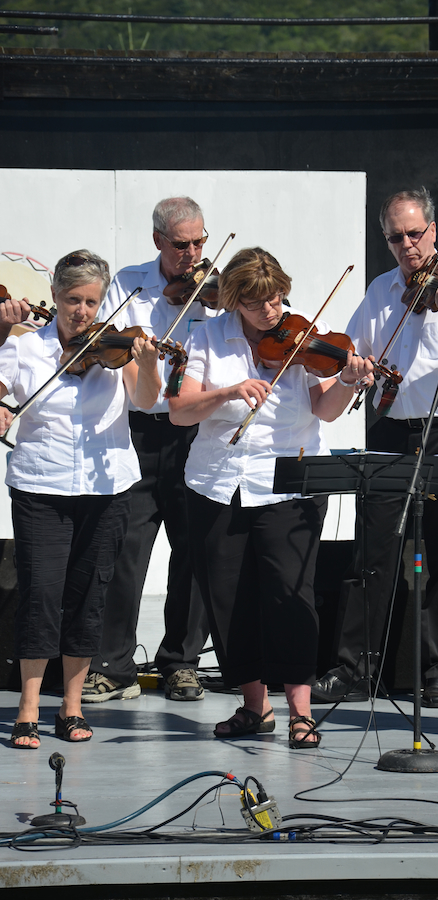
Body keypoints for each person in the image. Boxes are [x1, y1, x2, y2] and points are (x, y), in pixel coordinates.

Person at [169, 247, 374, 746]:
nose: (272, 311)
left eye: (277, 298)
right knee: (228, 597)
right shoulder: (207, 337)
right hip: (217, 483)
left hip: (289, 482)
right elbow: (179, 411)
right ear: (235, 300)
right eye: (258, 302)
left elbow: (325, 410)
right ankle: (254, 708)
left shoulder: (303, 338)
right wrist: (228, 392)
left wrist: (347, 380)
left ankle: (300, 712)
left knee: (290, 595)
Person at [311, 187, 438, 708]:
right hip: (393, 429)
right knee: (374, 549)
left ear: (434, 231)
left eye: (416, 234)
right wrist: (353, 368)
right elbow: (352, 350)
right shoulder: (381, 289)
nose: (408, 245)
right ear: (386, 240)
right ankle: (354, 666)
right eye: (397, 237)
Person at [0, 250, 160, 748]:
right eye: (73, 300)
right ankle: (29, 706)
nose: (82, 312)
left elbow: (149, 401)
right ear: (55, 296)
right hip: (41, 485)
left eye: (91, 301)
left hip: (107, 487)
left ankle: (71, 707)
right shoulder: (26, 349)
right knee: (41, 596)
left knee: (89, 597)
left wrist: (149, 361)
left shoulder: (117, 349)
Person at [82, 197, 215, 705]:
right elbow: (110, 343)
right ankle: (113, 666)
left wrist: (220, 301)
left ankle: (182, 662)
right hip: (139, 430)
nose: (193, 254)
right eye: (182, 244)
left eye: (200, 242)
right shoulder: (130, 283)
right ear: (158, 240)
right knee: (124, 551)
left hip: (193, 431)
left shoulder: (214, 291)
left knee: (193, 552)